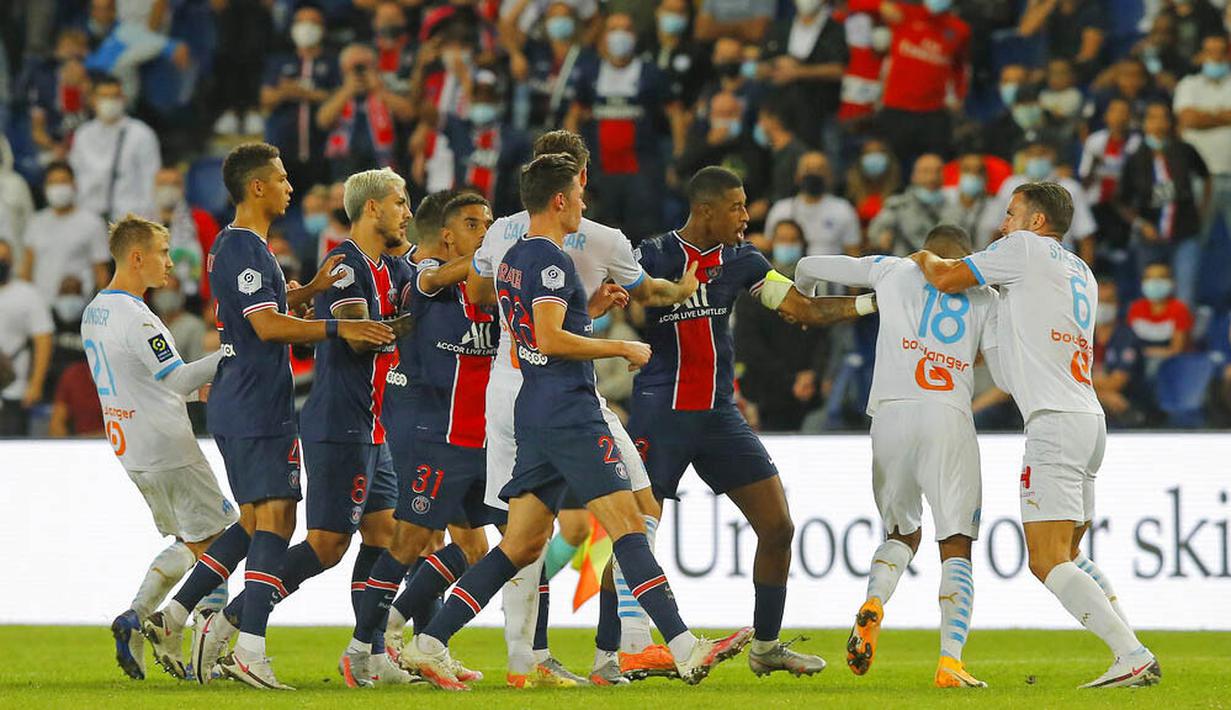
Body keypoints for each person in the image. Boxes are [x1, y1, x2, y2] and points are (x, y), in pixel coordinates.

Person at [400, 153, 752, 691]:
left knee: (519, 545)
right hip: (569, 412)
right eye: (579, 196)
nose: (585, 205)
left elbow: (536, 329)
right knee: (629, 523)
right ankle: (684, 646)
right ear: (560, 200)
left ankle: (429, 642)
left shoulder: (513, 255)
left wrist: (591, 309)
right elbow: (548, 338)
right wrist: (620, 347)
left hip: (533, 408)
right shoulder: (549, 261)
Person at [141, 143, 395, 688]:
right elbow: (266, 327)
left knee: (256, 523)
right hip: (256, 400)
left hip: (252, 397)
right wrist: (337, 325)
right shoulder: (243, 247)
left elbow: (268, 311)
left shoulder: (248, 248)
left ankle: (176, 616)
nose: (289, 187)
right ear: (257, 187)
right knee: (277, 522)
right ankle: (247, 646)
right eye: (280, 179)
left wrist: (312, 291)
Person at [457, 131, 700, 685]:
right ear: (575, 183)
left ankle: (524, 656)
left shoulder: (502, 233)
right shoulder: (601, 238)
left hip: (508, 389)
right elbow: (648, 293)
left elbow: (475, 293)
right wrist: (682, 289)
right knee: (636, 510)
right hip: (566, 390)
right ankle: (628, 646)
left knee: (523, 535)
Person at [912, 182, 1161, 688]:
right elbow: (1009, 369)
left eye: (1010, 214)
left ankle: (1131, 654)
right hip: (1087, 420)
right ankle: (1131, 653)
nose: (1002, 225)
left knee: (1047, 560)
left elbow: (945, 276)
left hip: (1053, 423)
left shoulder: (1022, 249)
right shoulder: (1081, 271)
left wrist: (915, 257)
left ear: (1037, 222)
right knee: (1069, 555)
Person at [629, 166, 871, 678]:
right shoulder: (649, 255)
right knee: (633, 535)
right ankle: (613, 653)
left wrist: (873, 302)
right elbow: (626, 308)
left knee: (778, 526)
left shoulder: (742, 260)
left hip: (719, 415)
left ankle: (765, 646)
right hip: (661, 410)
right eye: (737, 207)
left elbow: (803, 308)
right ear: (706, 211)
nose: (746, 215)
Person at [195, 167, 417, 687]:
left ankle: (370, 652)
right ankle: (234, 628)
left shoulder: (381, 266)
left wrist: (313, 291)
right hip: (329, 419)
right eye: (400, 202)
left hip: (366, 422)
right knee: (316, 542)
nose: (407, 211)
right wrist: (362, 326)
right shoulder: (338, 260)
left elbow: (274, 311)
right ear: (371, 209)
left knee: (383, 534)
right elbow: (314, 330)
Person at [794, 225, 995, 688]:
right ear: (965, 258)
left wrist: (805, 307)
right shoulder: (983, 293)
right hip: (947, 416)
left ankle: (875, 603)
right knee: (956, 542)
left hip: (889, 417)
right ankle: (950, 662)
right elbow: (999, 365)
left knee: (901, 533)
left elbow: (807, 267)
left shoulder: (892, 269)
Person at [343, 192, 497, 687]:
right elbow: (430, 278)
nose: (486, 233)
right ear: (449, 233)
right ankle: (366, 646)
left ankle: (413, 640)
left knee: (478, 548)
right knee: (416, 541)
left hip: (475, 438)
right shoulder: (424, 274)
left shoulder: (480, 285)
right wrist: (505, 249)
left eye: (491, 225)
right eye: (476, 225)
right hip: (428, 432)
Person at [80, 215, 236, 681]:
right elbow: (179, 376)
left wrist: (192, 392)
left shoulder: (95, 311)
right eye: (164, 254)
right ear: (137, 257)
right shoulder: (137, 316)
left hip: (130, 445)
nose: (171, 264)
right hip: (168, 445)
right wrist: (234, 353)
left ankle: (139, 618)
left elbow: (138, 381)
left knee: (193, 538)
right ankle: (188, 638)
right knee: (226, 537)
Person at [733, 220, 828, 431]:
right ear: (772, 242)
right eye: (782, 240)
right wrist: (790, 380)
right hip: (766, 394)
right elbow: (749, 346)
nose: (788, 245)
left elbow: (823, 338)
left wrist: (813, 374)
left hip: (810, 392)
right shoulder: (752, 291)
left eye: (793, 240)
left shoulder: (815, 289)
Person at [1117, 102, 1210, 306]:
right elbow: (1122, 201)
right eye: (1152, 118)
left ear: (1170, 122)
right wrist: (1141, 224)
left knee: (1185, 294)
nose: (1158, 123)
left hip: (1185, 233)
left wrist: (1203, 211)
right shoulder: (1134, 158)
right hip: (1149, 238)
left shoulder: (1185, 150)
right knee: (1152, 295)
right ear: (1144, 124)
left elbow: (1205, 176)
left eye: (1163, 118)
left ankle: (1184, 337)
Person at [874, 0, 970, 166]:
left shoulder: (960, 29)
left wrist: (959, 95)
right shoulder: (904, 14)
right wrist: (879, 4)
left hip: (933, 113)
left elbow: (959, 66)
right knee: (891, 167)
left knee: (936, 166)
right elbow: (854, 3)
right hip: (896, 109)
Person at [260, 4, 338, 196]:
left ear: (323, 28)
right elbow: (266, 98)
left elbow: (338, 96)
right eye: (301, 22)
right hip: (283, 153)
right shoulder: (280, 62)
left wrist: (301, 92)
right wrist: (285, 93)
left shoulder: (333, 63)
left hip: (322, 152)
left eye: (313, 22)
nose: (306, 27)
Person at [980, 142, 1098, 264]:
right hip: (1017, 262)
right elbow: (996, 231)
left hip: (1059, 264)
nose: (1036, 158)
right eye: (1030, 154)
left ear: (1053, 155)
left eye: (1041, 153)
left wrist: (1086, 276)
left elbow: (1086, 238)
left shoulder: (1070, 188)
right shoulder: (1011, 184)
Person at [1174, 35, 1231, 278]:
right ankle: (1188, 308)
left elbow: (1197, 119)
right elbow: (1187, 119)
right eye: (1210, 51)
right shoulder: (1188, 84)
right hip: (1198, 178)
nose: (1215, 57)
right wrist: (1225, 116)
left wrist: (1204, 118)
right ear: (1201, 55)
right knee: (1192, 244)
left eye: (1220, 52)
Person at [760, 0, 848, 155]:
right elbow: (760, 67)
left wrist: (798, 72)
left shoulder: (835, 29)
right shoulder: (780, 27)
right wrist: (776, 64)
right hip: (780, 113)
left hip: (819, 114)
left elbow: (838, 69)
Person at [68, 75, 161, 220]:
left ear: (123, 99)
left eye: (115, 96)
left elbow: (151, 181)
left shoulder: (141, 134)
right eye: (104, 96)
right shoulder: (83, 135)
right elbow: (75, 175)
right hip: (90, 216)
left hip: (129, 219)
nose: (110, 102)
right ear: (93, 100)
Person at [318, 44, 415, 179]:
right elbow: (323, 121)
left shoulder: (387, 87)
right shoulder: (337, 90)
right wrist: (347, 91)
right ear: (343, 70)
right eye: (354, 68)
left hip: (382, 163)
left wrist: (378, 90)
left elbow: (409, 114)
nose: (360, 72)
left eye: (364, 66)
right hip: (344, 164)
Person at [19, 161, 110, 301]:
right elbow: (27, 269)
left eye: (63, 182)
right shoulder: (36, 222)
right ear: (45, 188)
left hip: (79, 306)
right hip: (42, 306)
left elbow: (101, 273)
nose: (58, 188)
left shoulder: (92, 223)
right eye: (53, 183)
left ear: (74, 185)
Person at [0, 240, 53, 436]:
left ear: (12, 261)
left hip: (14, 387)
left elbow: (43, 340)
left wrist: (36, 384)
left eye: (4, 259)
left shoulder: (27, 294)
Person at [764, 151, 860, 257]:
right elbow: (768, 246)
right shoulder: (781, 210)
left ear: (829, 176)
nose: (814, 174)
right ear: (797, 176)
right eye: (808, 169)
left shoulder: (843, 209)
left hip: (830, 271)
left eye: (820, 170)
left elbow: (853, 252)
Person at [869, 153, 948, 256]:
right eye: (926, 171)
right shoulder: (898, 205)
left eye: (937, 171)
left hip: (945, 267)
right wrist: (882, 237)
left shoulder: (953, 204)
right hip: (906, 265)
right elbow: (875, 231)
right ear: (914, 176)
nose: (932, 177)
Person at [1127, 262, 1193, 375]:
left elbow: (1177, 350)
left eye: (1161, 277)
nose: (1154, 283)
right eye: (1150, 278)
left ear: (1172, 282)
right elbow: (1128, 343)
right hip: (1138, 363)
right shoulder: (1136, 308)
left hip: (1171, 366)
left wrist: (1147, 353)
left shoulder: (1179, 309)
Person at [942, 153, 995, 249]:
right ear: (959, 173)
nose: (972, 175)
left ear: (985, 177)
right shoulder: (945, 197)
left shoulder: (995, 206)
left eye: (978, 171)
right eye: (967, 170)